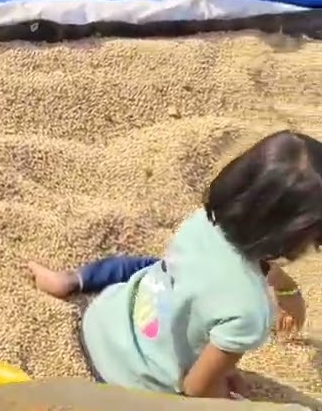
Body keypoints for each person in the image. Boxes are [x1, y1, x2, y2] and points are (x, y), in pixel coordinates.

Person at [26, 131, 321, 399]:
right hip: (132, 380)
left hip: (101, 321)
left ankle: (70, 280)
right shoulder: (251, 311)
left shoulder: (202, 222)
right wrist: (229, 394)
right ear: (296, 233)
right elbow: (197, 388)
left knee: (149, 268)